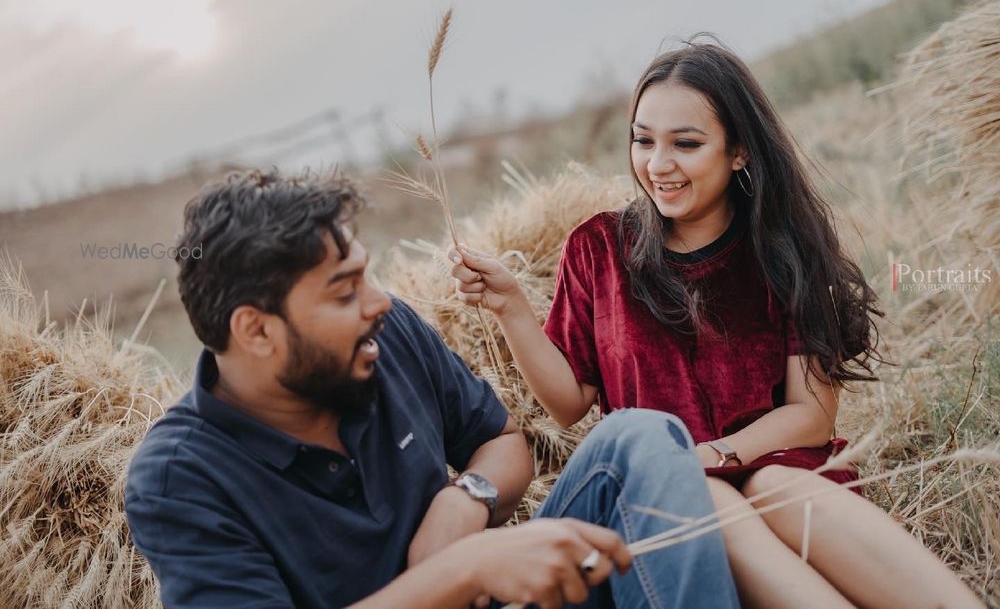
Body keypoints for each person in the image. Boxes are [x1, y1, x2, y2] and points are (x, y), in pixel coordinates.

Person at [449, 42, 984, 608]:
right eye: (643, 139)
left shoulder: (785, 251)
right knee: (707, 497)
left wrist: (714, 454)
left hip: (777, 467)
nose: (658, 164)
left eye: (686, 143)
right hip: (668, 502)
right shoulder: (599, 248)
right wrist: (509, 308)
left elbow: (812, 415)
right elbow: (568, 403)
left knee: (773, 485)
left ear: (739, 152)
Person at [124, 169, 739, 609]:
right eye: (343, 292)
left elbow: (503, 442)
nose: (378, 303)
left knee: (639, 436)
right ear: (256, 331)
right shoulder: (179, 478)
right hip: (479, 581)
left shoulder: (384, 335)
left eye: (367, 276)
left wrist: (465, 498)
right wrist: (464, 570)